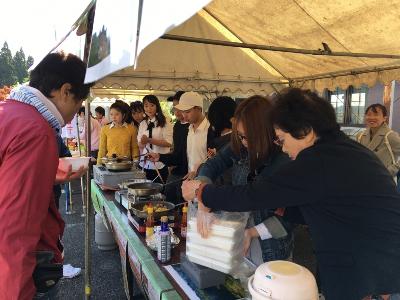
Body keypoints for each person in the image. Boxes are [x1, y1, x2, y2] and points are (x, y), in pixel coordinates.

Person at [182, 88, 400, 300]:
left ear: (305, 130)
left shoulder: (318, 160)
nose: (283, 148)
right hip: (369, 261)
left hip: (369, 269)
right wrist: (281, 206)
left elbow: (254, 195)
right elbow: (323, 207)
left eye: (282, 139)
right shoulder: (343, 149)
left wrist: (203, 192)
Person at [0, 51, 92, 299]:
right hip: (19, 272)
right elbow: (16, 225)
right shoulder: (36, 130)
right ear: (65, 91)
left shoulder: (10, 111)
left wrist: (51, 172)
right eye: (79, 102)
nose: (76, 112)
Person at [195, 96, 293, 265]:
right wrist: (203, 195)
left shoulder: (284, 159)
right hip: (239, 232)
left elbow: (290, 217)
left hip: (270, 246)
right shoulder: (240, 146)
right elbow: (211, 165)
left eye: (247, 137)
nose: (243, 142)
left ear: (265, 132)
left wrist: (251, 232)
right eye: (239, 135)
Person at [148, 92, 215, 202]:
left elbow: (214, 161)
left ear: (199, 109)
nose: (184, 116)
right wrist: (159, 157)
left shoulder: (210, 130)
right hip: (191, 186)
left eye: (188, 112)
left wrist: (198, 171)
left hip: (207, 187)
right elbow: (180, 157)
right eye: (183, 112)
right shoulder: (189, 129)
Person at [356, 103, 400, 178]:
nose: (372, 117)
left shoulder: (390, 136)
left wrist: (392, 170)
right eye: (369, 114)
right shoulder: (360, 135)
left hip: (383, 179)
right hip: (363, 177)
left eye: (376, 115)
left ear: (384, 118)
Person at [137, 95, 173, 183]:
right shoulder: (143, 124)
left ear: (157, 106)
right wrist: (142, 141)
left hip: (160, 164)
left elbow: (168, 143)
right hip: (144, 164)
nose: (149, 108)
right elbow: (140, 145)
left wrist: (149, 140)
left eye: (152, 105)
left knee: (159, 192)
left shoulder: (165, 122)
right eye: (146, 106)